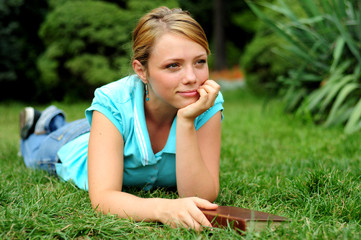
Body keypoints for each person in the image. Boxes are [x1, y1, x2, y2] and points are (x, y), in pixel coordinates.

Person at [19, 6, 224, 231]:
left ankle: (53, 121)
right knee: (37, 149)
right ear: (141, 70)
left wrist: (186, 122)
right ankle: (43, 123)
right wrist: (163, 209)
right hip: (72, 143)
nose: (191, 78)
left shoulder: (207, 101)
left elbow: (200, 195)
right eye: (173, 65)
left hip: (107, 129)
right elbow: (103, 199)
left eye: (200, 62)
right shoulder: (112, 100)